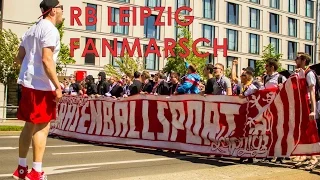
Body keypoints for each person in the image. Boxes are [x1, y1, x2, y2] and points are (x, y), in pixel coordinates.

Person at [12, 0, 63, 179]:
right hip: (42, 85)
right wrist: (57, 86)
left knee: (28, 126)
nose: (63, 12)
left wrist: (27, 67)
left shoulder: (31, 30)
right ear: (52, 11)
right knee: (42, 127)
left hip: (28, 83)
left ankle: (21, 168)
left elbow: (18, 57)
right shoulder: (50, 30)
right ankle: (36, 172)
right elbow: (46, 59)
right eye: (61, 8)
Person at [293, 52, 319, 170]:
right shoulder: (303, 73)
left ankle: (314, 158)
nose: (295, 60)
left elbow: (312, 93)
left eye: (297, 58)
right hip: (304, 106)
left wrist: (313, 110)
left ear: (303, 60)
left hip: (310, 106)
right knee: (304, 130)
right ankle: (304, 155)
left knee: (311, 131)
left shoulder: (309, 74)